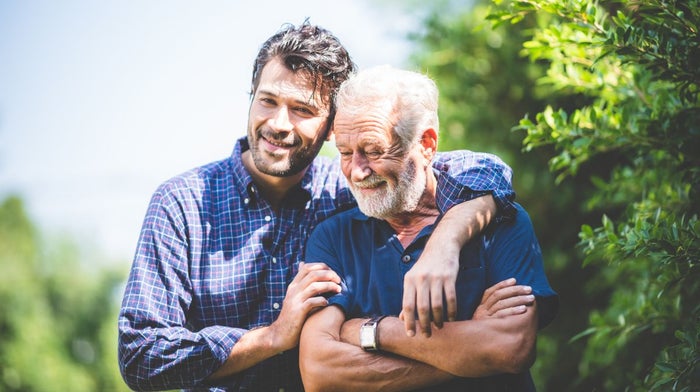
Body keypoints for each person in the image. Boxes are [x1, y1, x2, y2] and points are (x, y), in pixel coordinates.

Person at [118, 23, 517, 391]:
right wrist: (272, 336)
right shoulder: (181, 203)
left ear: (332, 127)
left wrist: (445, 243)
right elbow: (140, 355)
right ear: (251, 98)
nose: (278, 123)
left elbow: (483, 170)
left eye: (303, 110)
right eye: (267, 101)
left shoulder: (352, 189)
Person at [299, 65, 559, 391]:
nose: (358, 172)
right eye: (345, 153)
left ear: (426, 144)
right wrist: (468, 350)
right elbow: (319, 372)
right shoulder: (333, 238)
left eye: (374, 151)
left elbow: (511, 348)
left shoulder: (501, 222)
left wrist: (372, 331)